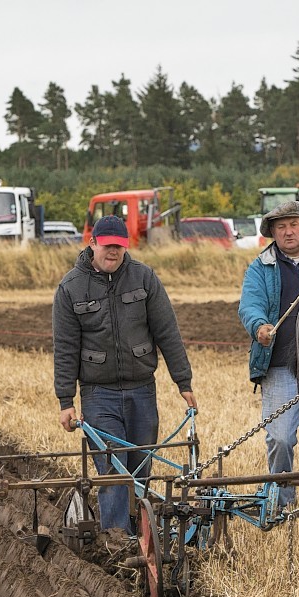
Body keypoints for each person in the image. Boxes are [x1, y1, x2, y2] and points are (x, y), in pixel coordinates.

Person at [53, 214, 197, 533]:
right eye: (107, 246)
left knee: (140, 468)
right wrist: (65, 400)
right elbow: (64, 348)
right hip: (97, 393)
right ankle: (117, 542)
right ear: (93, 244)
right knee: (114, 471)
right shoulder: (70, 288)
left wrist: (182, 382)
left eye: (119, 246)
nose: (113, 252)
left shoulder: (144, 278)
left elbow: (168, 333)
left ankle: (140, 540)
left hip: (142, 390)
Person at [238, 200, 299, 509]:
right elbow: (249, 305)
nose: (288, 231)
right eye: (281, 227)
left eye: (294, 224)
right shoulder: (260, 267)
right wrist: (259, 326)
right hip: (279, 365)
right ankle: (281, 498)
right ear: (272, 233)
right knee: (280, 438)